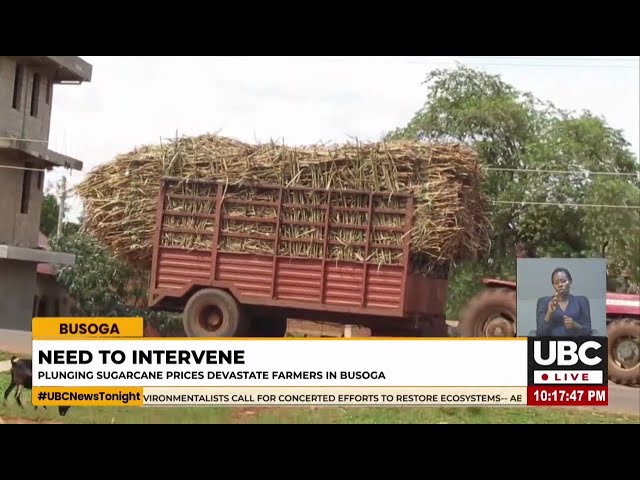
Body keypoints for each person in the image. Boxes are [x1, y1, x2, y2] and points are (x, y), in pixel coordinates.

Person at [535, 267, 592, 336]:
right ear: (553, 286)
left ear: (570, 283)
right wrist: (549, 313)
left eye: (563, 281)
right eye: (556, 283)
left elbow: (588, 331)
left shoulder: (581, 301)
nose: (560, 285)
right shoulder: (544, 302)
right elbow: (540, 333)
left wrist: (575, 326)